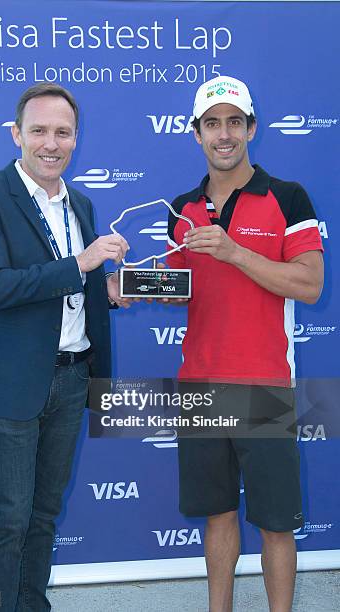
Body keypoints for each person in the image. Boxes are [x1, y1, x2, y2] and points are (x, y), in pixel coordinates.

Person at [0, 82, 129, 612]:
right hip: (10, 383)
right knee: (6, 519)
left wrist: (110, 292)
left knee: (44, 513)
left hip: (73, 376)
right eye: (39, 131)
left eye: (63, 132)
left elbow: (71, 290)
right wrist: (81, 264)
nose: (51, 143)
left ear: (76, 138)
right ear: (17, 135)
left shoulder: (81, 203)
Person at [166, 76, 324, 612]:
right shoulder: (182, 207)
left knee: (276, 522)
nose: (224, 134)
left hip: (263, 384)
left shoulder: (288, 196)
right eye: (213, 124)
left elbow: (310, 284)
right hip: (200, 387)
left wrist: (235, 253)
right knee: (217, 514)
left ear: (251, 129)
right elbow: (178, 287)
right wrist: (126, 286)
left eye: (235, 122)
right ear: (197, 135)